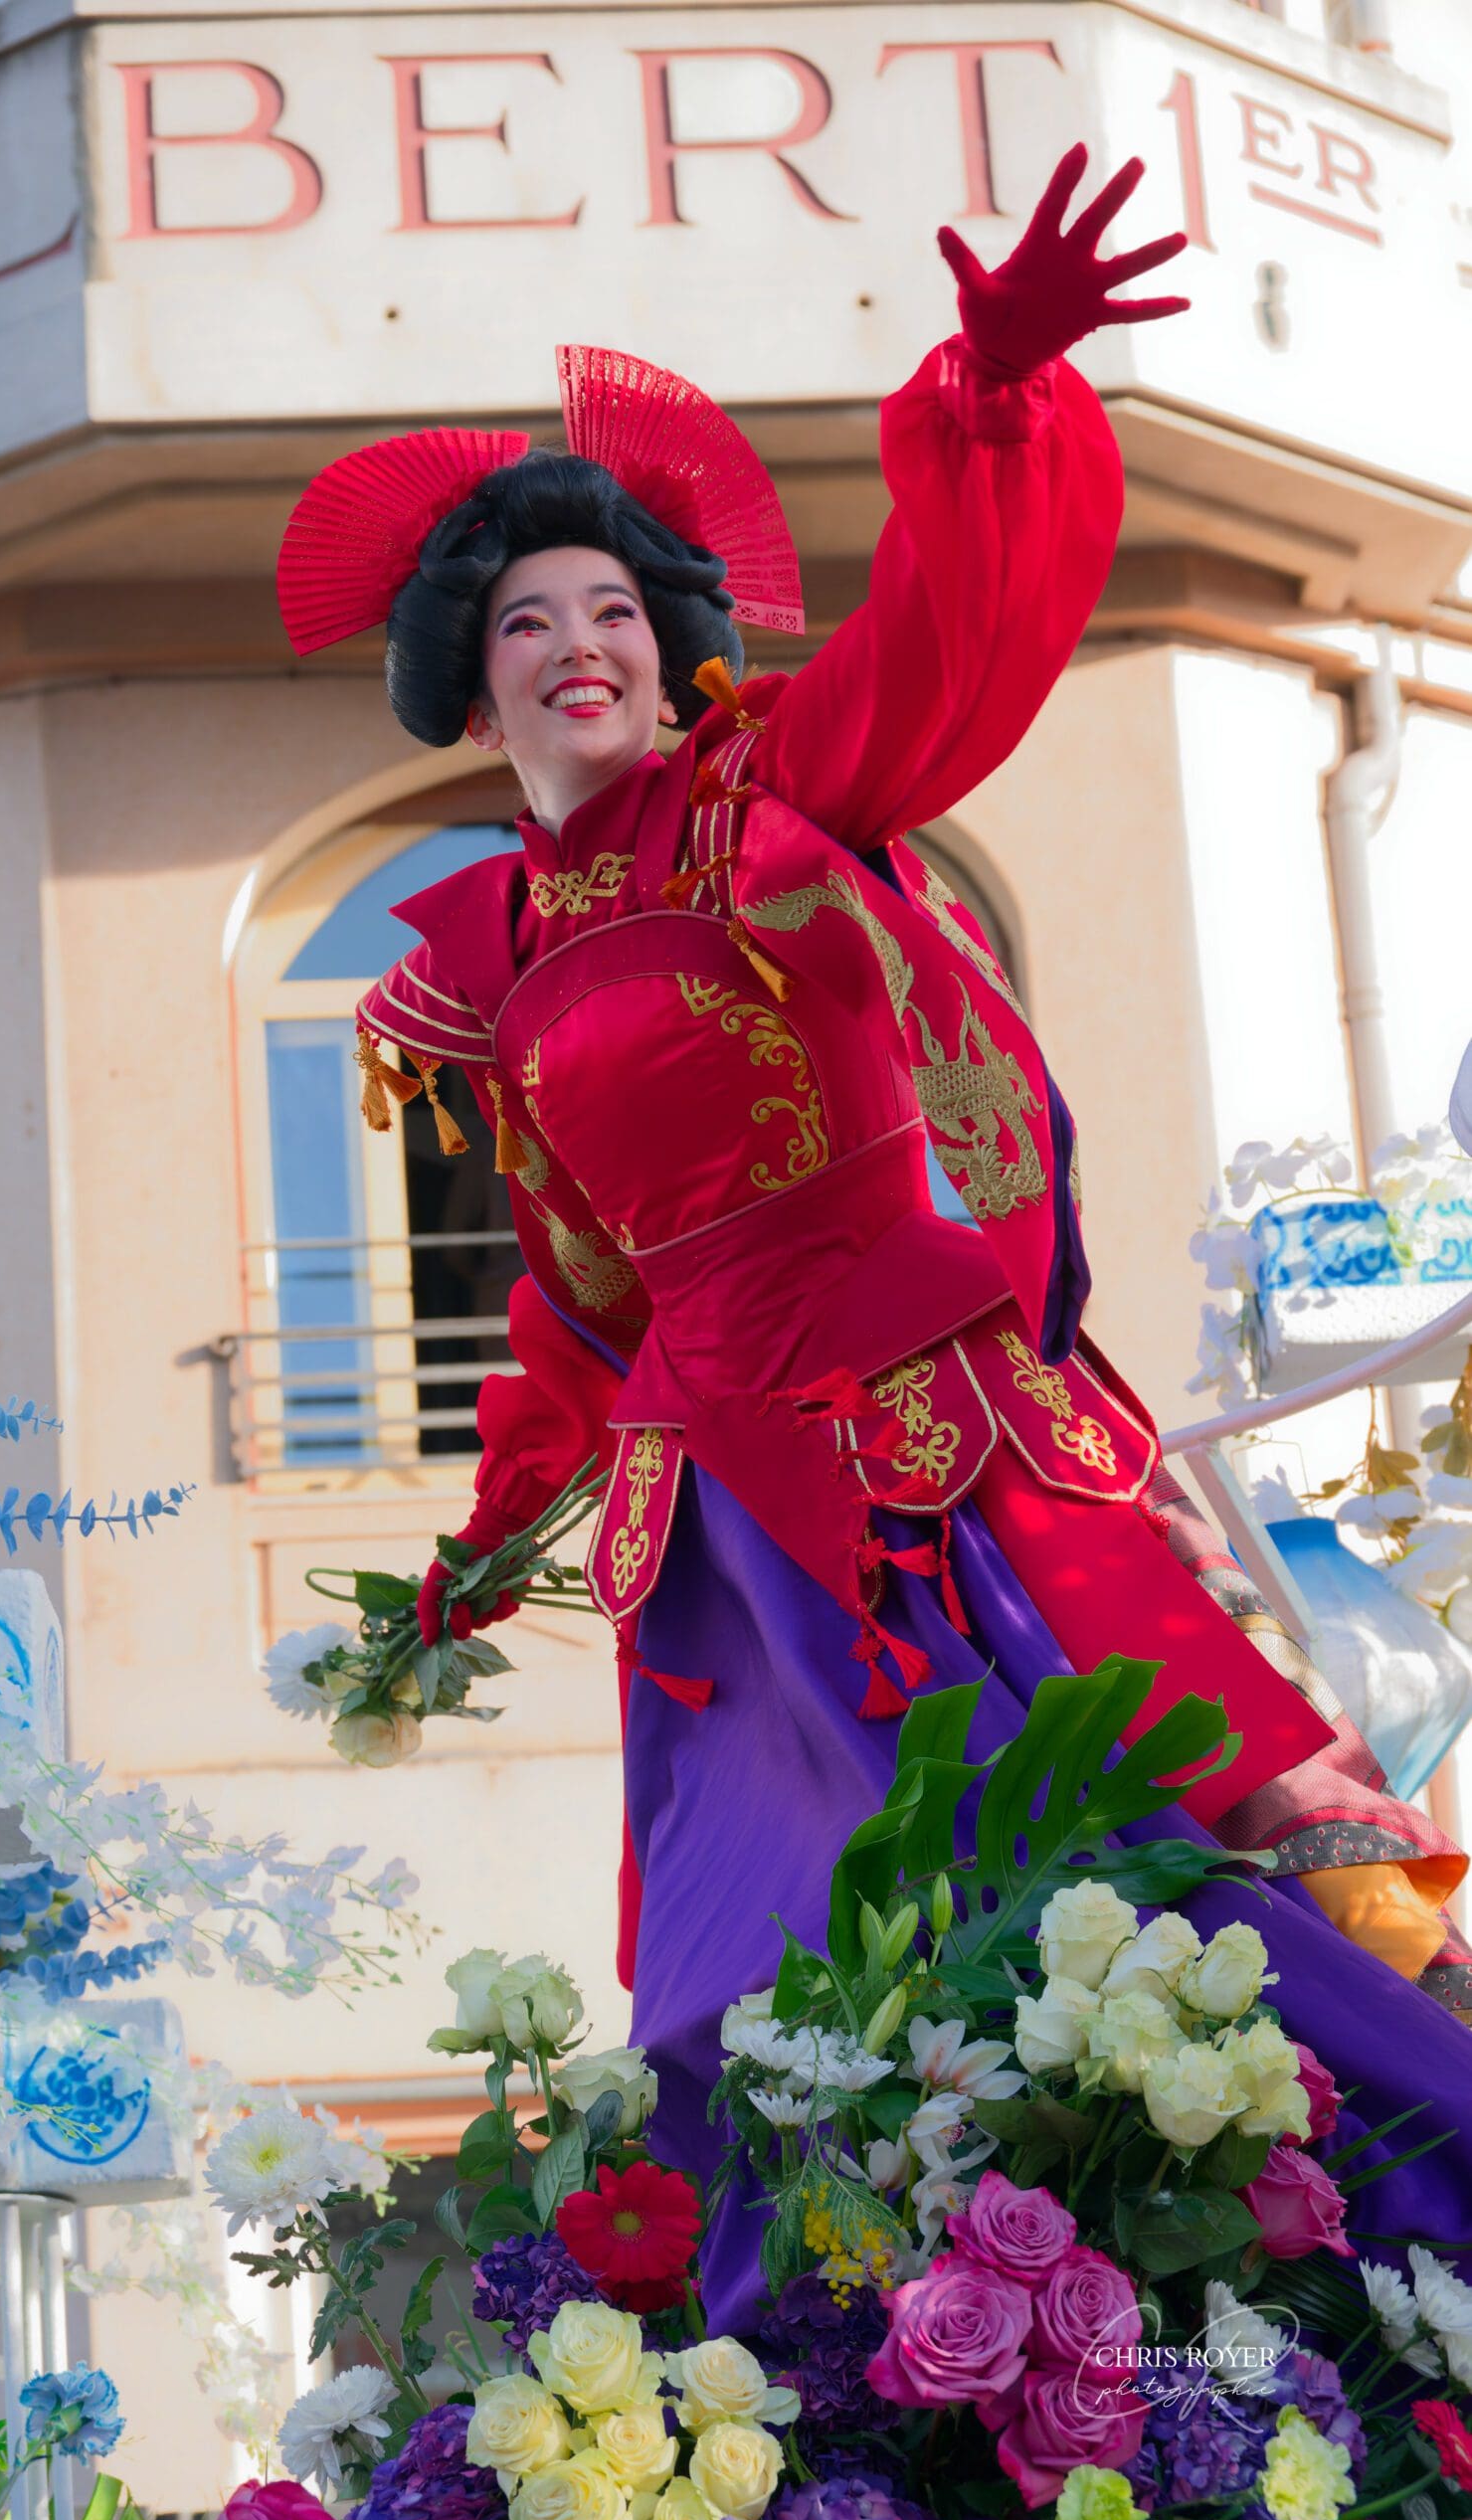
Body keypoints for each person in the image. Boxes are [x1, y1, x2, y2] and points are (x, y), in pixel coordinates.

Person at [278, 147, 1472, 2314]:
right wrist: (466, 1556)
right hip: (705, 1520)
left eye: (615, 614)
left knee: (1095, 1864)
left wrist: (987, 401)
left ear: (671, 660)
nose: (579, 646)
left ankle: (1321, 2268)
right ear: (471, 686)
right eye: (529, 620)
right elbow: (578, 1304)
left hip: (912, 1439)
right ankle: (840, 2358)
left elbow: (934, 655)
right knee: (759, 1967)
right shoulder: (491, 967)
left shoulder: (764, 812)